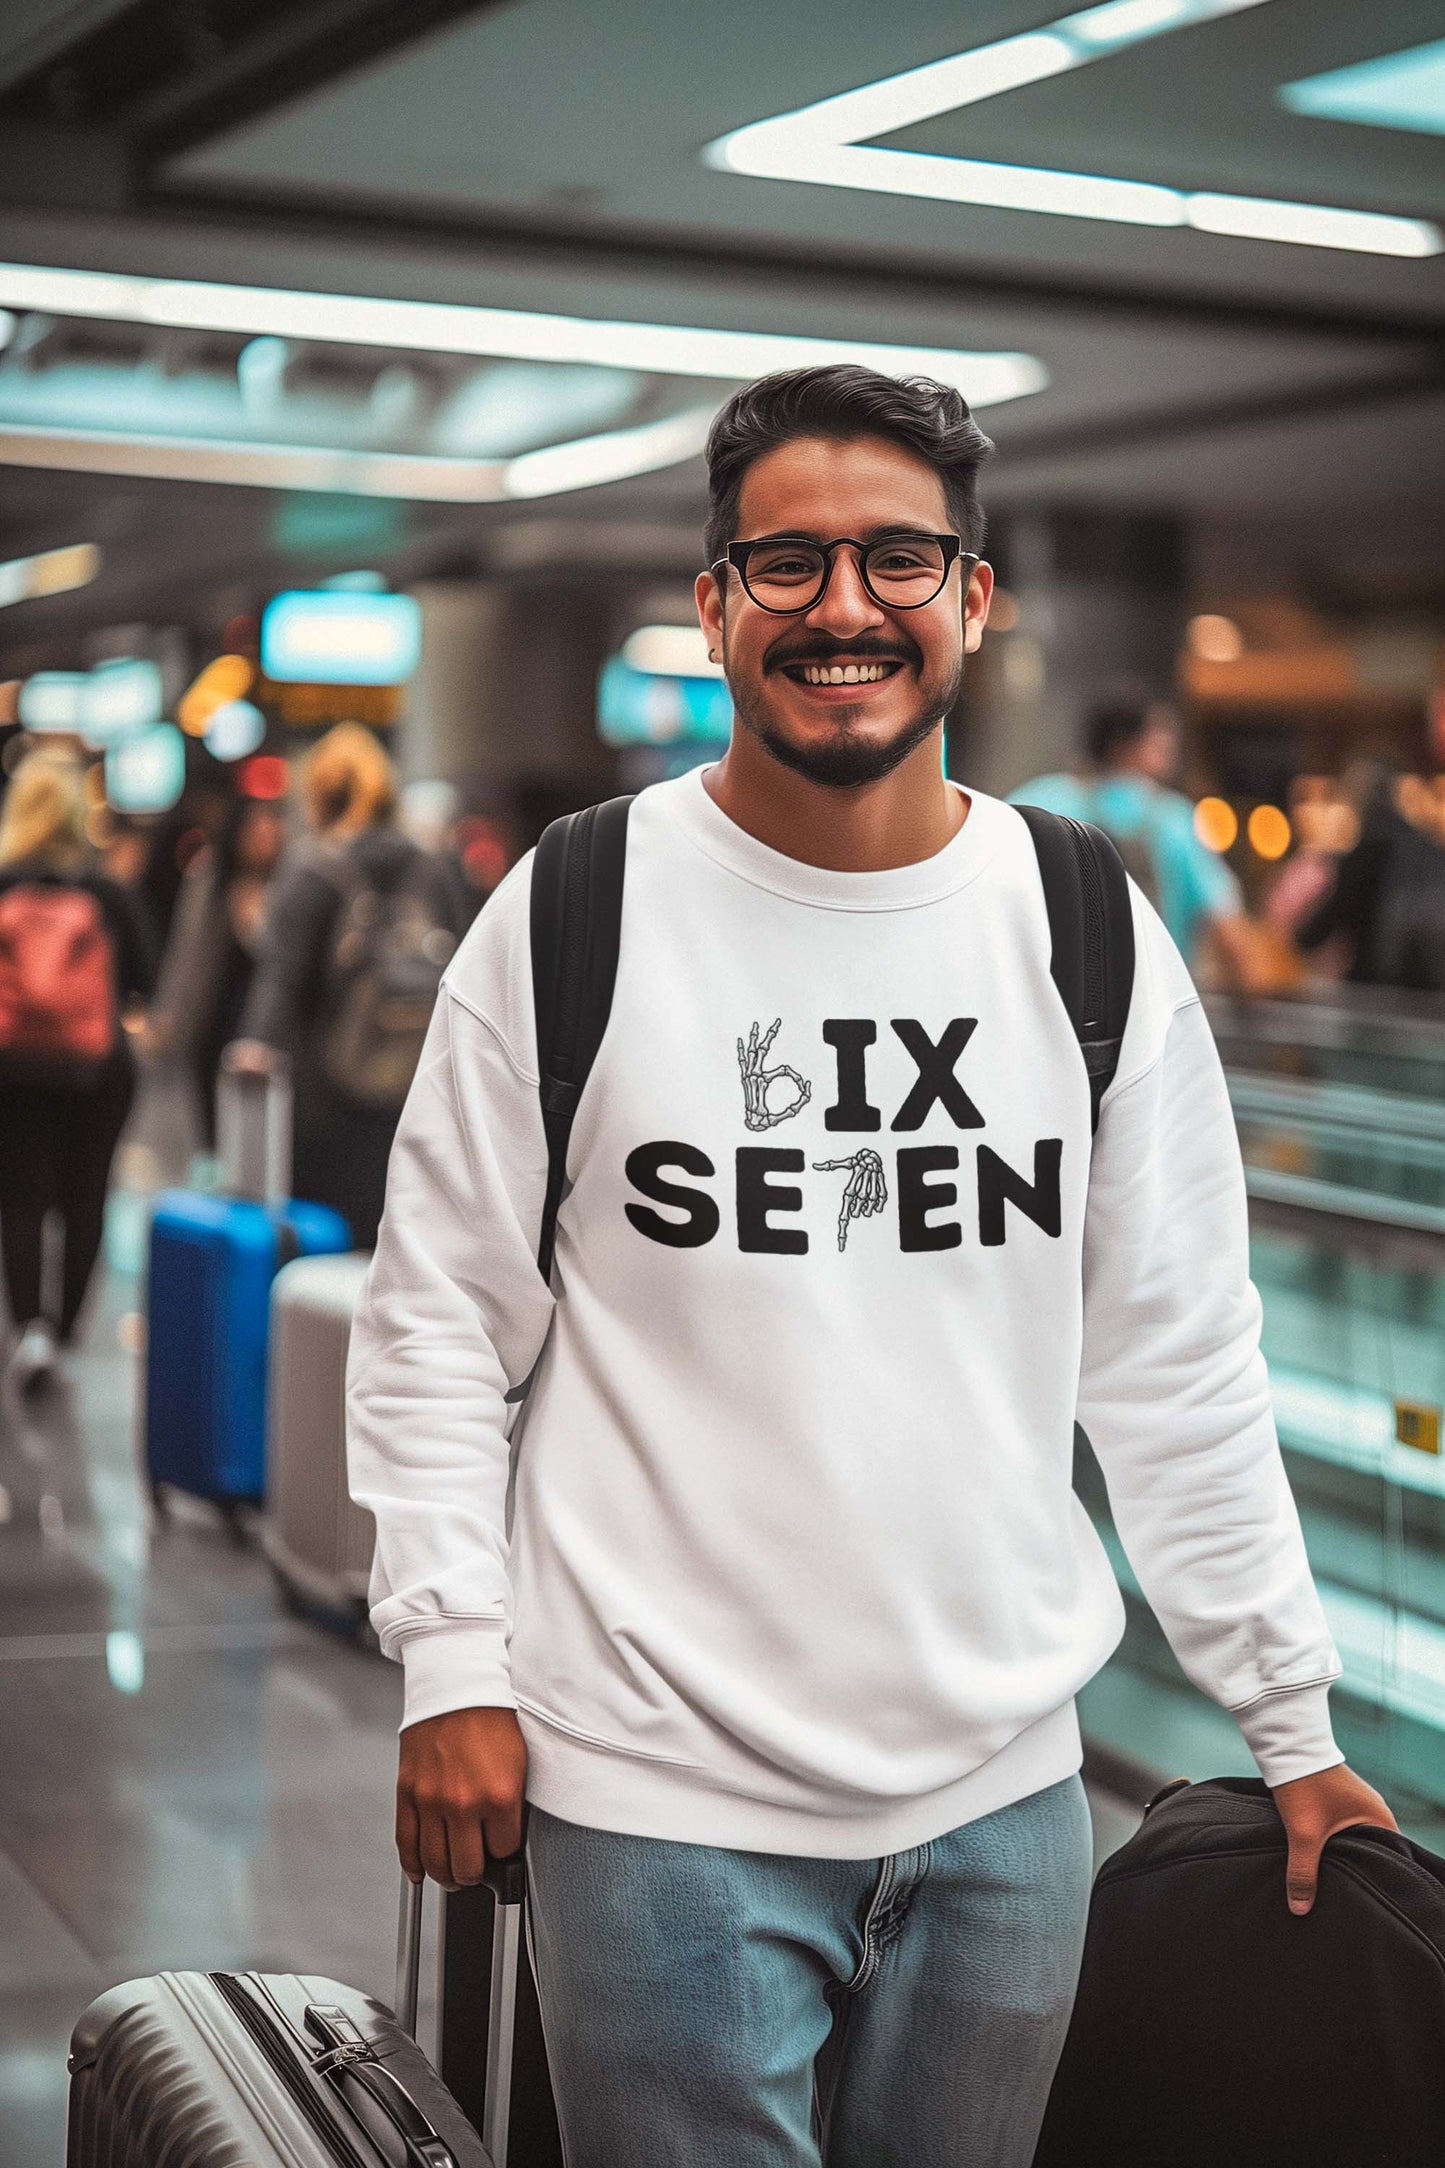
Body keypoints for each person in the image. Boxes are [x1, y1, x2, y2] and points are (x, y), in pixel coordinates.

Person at [348, 367, 1394, 2168]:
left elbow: (1178, 1363)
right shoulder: (577, 905)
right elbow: (440, 1314)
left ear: (975, 599)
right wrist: (452, 1656)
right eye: (792, 563)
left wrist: (1286, 1714)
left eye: (901, 559)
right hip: (656, 1797)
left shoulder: (1082, 926)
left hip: (1007, 1808)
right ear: (716, 605)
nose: (847, 606)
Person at [234, 724, 455, 1247]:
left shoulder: (312, 869)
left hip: (325, 1091)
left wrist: (254, 1047)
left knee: (321, 1243)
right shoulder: (431, 869)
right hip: (413, 1087)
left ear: (318, 795)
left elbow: (281, 982)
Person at [0, 750, 155, 1388]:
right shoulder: (104, 890)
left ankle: (30, 1328)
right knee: (86, 1197)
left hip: (11, 1069)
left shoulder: (4, 883)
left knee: (21, 1198)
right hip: (96, 1073)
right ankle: (63, 1335)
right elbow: (145, 979)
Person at [1009, 693, 1261, 984]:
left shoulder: (1038, 800)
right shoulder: (1172, 818)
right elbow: (1228, 929)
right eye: (1160, 733)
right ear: (1124, 743)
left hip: (1054, 994)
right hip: (1151, 1002)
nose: (1170, 743)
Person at [151, 790, 285, 1147]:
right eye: (256, 830)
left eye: (271, 828)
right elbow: (187, 950)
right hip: (214, 1019)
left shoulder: (290, 886)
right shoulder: (211, 879)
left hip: (264, 1024)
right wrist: (169, 1015)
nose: (265, 838)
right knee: (213, 1120)